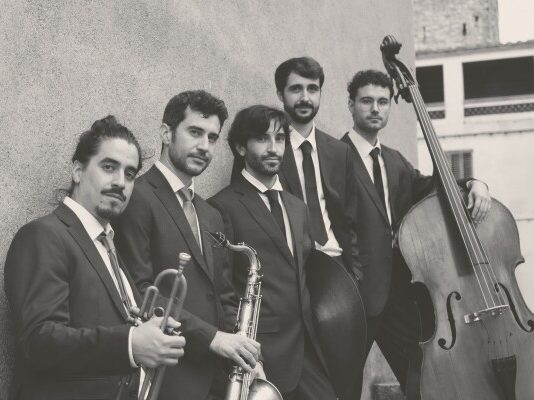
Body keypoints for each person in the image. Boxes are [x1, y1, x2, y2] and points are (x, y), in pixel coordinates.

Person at [4, 116, 185, 400]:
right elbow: (39, 341)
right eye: (109, 167)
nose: (120, 182)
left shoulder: (108, 244)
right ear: (78, 171)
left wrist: (149, 329)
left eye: (130, 174)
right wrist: (130, 343)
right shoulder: (43, 235)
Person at [340, 69, 491, 399]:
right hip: (354, 293)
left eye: (383, 101)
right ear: (350, 105)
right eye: (366, 101)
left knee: (420, 376)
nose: (376, 108)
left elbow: (431, 186)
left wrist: (472, 182)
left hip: (399, 291)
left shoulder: (394, 160)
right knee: (344, 386)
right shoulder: (333, 157)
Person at [114, 91, 262, 400]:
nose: (204, 146)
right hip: (166, 379)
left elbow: (223, 295)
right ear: (166, 133)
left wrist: (247, 353)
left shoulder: (211, 214)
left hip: (214, 379)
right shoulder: (137, 196)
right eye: (195, 132)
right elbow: (138, 291)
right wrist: (213, 338)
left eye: (212, 137)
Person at [210, 105, 337, 400]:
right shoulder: (221, 207)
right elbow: (223, 291)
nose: (273, 148)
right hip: (260, 355)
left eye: (279, 138)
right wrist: (247, 354)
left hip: (309, 350)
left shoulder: (298, 207)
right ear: (240, 147)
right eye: (262, 138)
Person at [273, 57, 362, 281]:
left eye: (312, 89)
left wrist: (355, 272)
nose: (305, 98)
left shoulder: (340, 151)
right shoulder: (267, 149)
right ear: (280, 94)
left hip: (337, 264)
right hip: (290, 269)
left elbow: (351, 219)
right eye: (296, 89)